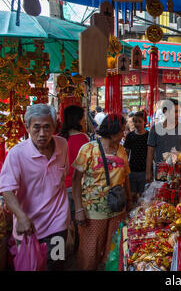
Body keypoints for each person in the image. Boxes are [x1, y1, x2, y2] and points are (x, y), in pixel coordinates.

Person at [0, 104, 70, 271]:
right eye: (36, 128)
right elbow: (6, 189)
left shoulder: (62, 145)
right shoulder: (17, 154)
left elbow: (62, 176)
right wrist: (21, 216)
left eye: (47, 127)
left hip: (57, 223)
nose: (43, 134)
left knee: (56, 264)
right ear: (27, 127)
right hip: (28, 225)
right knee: (30, 266)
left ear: (54, 126)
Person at [72, 114, 133, 270]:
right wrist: (78, 209)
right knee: (90, 252)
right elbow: (76, 181)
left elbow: (125, 177)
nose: (123, 134)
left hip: (117, 210)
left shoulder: (122, 151)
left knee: (112, 252)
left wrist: (130, 200)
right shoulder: (88, 149)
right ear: (111, 132)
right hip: (93, 212)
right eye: (121, 131)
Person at [58, 105, 90, 253]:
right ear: (78, 119)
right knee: (79, 222)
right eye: (83, 118)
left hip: (60, 188)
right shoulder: (83, 138)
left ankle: (61, 252)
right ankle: (76, 251)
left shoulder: (59, 138)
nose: (85, 121)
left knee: (63, 223)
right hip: (77, 187)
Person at [146, 99, 181, 183]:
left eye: (178, 112)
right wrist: (148, 172)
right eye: (175, 112)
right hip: (161, 172)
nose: (177, 115)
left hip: (179, 172)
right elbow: (150, 152)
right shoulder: (155, 128)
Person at [124, 111, 148, 202]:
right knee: (132, 194)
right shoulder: (130, 135)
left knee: (143, 195)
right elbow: (126, 152)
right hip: (132, 169)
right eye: (135, 121)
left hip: (144, 170)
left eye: (139, 121)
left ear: (144, 122)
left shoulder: (148, 136)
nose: (136, 123)